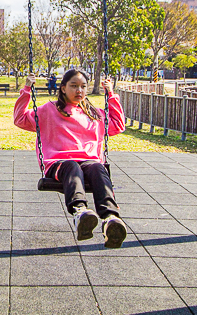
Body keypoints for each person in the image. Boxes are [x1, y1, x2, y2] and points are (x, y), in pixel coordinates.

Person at [13, 69, 127, 248]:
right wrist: (27, 89)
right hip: (58, 163)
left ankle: (110, 218)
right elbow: (20, 119)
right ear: (63, 88)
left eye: (83, 86)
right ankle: (80, 212)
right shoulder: (49, 110)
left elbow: (118, 125)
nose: (79, 90)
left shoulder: (94, 114)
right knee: (72, 166)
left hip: (88, 163)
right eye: (74, 86)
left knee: (98, 168)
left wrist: (111, 95)